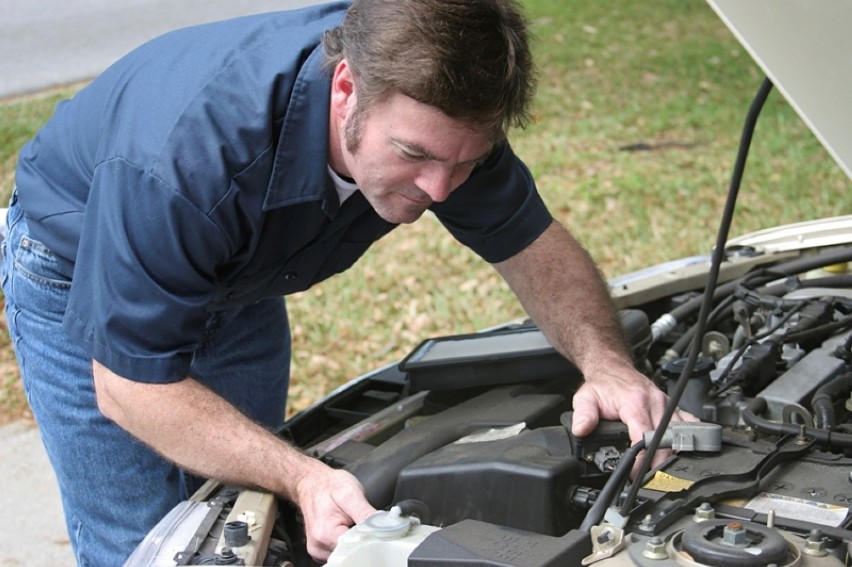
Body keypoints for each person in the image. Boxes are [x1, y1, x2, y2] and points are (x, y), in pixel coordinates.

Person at [1, 0, 690, 564]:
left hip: (235, 277)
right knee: (148, 542)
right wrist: (305, 474)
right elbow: (132, 388)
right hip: (75, 266)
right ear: (345, 90)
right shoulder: (186, 158)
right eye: (413, 155)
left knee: (243, 517)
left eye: (464, 163)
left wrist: (607, 365)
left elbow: (529, 241)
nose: (438, 189)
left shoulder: (440, 124)